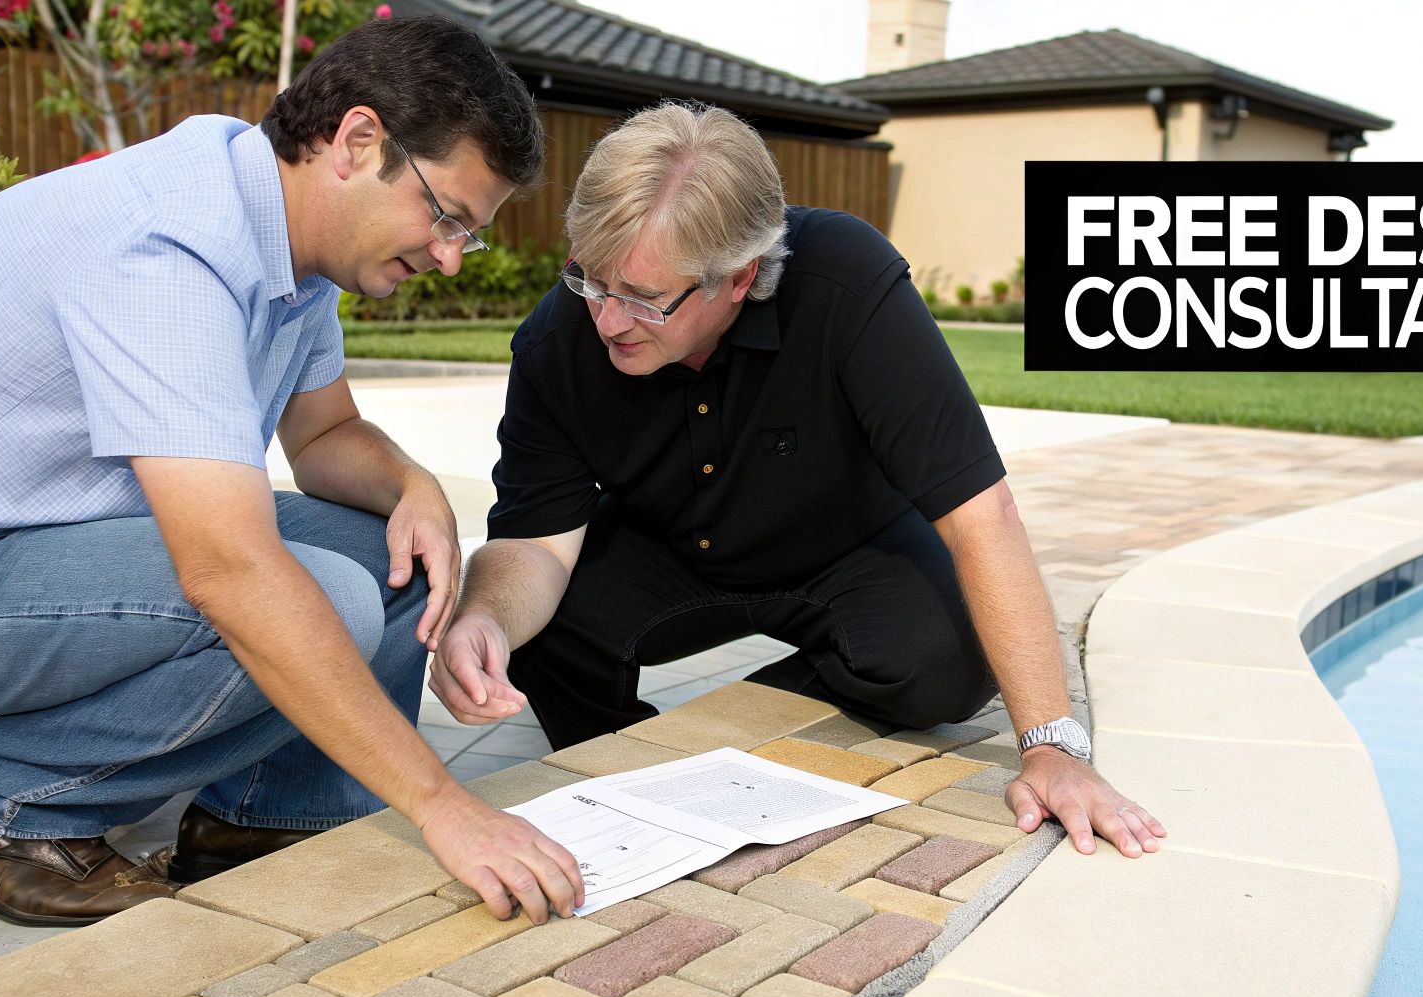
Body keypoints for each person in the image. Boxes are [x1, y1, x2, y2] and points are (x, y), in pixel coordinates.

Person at [0, 14, 585, 928]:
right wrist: (445, 807)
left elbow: (326, 434)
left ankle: (268, 817)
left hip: (52, 547)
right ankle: (7, 797)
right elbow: (229, 570)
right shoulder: (167, 248)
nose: (450, 256)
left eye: (470, 234)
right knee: (307, 593)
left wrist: (412, 486)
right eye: (445, 216)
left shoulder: (284, 242)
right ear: (357, 141)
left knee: (389, 555)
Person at [430, 102, 1167, 860]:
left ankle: (735, 734)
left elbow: (981, 513)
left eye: (645, 298)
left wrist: (1051, 746)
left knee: (950, 661)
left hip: (848, 545)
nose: (609, 321)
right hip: (668, 546)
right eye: (591, 279)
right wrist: (486, 620)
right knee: (541, 634)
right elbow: (536, 543)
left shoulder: (847, 280)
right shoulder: (557, 340)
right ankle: (633, 775)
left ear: (739, 276)